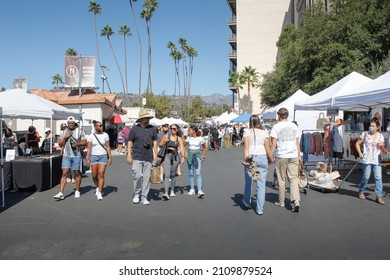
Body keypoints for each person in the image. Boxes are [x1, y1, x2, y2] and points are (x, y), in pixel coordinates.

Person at [270, 108, 302, 213]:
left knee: (281, 179)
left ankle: (281, 201)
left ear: (279, 116)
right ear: (287, 115)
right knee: (293, 179)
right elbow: (297, 143)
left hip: (281, 155)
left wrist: (270, 156)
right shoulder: (294, 126)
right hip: (293, 155)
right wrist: (299, 156)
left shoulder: (276, 127)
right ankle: (296, 200)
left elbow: (273, 144)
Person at [242, 115, 273, 215]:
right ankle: (260, 208)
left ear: (250, 122)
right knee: (261, 184)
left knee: (248, 181)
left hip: (251, 156)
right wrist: (271, 159)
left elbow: (246, 148)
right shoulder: (265, 132)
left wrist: (247, 160)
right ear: (259, 122)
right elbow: (268, 148)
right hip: (262, 156)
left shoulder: (247, 132)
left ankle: (246, 201)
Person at [127, 109, 158, 205]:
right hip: (137, 156)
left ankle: (144, 196)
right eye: (145, 118)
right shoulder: (134, 129)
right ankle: (137, 193)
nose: (147, 119)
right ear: (141, 119)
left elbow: (155, 142)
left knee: (146, 177)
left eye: (148, 118)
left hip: (148, 157)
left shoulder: (152, 129)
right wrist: (129, 155)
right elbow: (129, 142)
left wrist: (155, 155)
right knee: (137, 176)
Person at [53, 116, 87, 200]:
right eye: (69, 123)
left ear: (74, 123)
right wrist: (66, 137)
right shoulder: (64, 132)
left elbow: (85, 142)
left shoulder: (80, 131)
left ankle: (77, 191)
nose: (71, 125)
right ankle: (61, 193)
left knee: (77, 173)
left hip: (76, 155)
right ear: (67, 123)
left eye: (72, 123)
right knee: (64, 173)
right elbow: (60, 144)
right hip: (66, 156)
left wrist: (78, 144)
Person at [355, 118, 385, 205]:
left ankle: (379, 196)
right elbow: (357, 143)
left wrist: (382, 145)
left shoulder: (381, 136)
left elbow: (383, 148)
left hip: (377, 159)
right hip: (366, 159)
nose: (371, 127)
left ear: (378, 127)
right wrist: (360, 153)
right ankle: (361, 190)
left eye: (373, 126)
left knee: (378, 177)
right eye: (370, 125)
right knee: (366, 176)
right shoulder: (365, 134)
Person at [86, 120, 112, 201]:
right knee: (94, 175)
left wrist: (110, 157)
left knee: (101, 174)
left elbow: (108, 146)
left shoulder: (105, 135)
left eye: (101, 125)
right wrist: (87, 158)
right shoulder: (91, 136)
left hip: (103, 156)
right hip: (93, 156)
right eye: (99, 125)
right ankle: (98, 186)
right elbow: (89, 148)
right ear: (95, 127)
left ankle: (100, 192)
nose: (101, 127)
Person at [159, 124, 186, 200]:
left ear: (177, 130)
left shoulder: (179, 138)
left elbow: (181, 148)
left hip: (175, 156)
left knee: (173, 174)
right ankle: (166, 192)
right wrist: (164, 142)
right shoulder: (166, 136)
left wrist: (183, 157)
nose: (172, 130)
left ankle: (172, 190)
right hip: (166, 155)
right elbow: (160, 145)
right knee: (167, 174)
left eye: (174, 129)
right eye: (171, 128)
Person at [185, 126, 207, 198]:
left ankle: (199, 190)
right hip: (190, 154)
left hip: (197, 155)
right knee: (190, 172)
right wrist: (185, 154)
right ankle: (192, 189)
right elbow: (183, 145)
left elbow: (204, 147)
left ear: (194, 131)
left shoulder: (200, 138)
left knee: (198, 173)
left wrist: (203, 156)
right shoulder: (188, 138)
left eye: (189, 130)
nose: (188, 131)